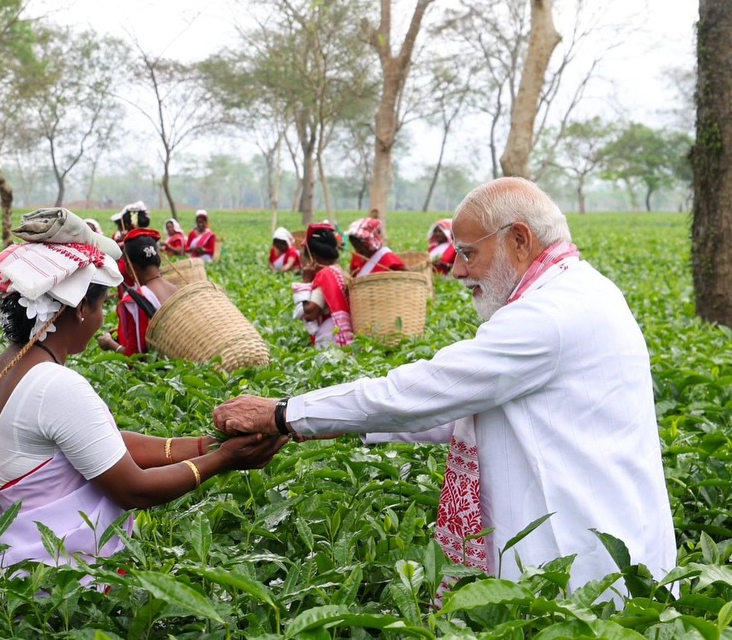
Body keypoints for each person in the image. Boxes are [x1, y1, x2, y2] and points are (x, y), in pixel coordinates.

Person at [213, 178, 676, 599]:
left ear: (519, 239)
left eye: (469, 252)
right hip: (593, 544)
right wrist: (340, 425)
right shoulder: (578, 290)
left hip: (583, 564)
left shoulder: (548, 316)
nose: (456, 270)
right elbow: (465, 412)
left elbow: (425, 390)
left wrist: (284, 413)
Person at [0, 208, 285, 589]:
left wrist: (204, 444)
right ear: (81, 309)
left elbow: (104, 445)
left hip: (9, 567)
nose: (104, 316)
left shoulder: (0, 367)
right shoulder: (55, 385)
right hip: (52, 583)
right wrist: (222, 460)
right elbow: (133, 489)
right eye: (101, 305)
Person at [98, 228, 178, 356]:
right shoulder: (176, 289)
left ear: (131, 268)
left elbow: (137, 357)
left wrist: (109, 343)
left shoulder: (134, 301)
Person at [292, 223, 353, 348]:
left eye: (305, 255)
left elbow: (310, 313)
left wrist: (306, 280)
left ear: (313, 257)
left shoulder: (325, 274)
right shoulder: (341, 271)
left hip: (330, 340)